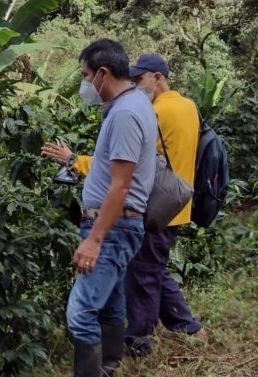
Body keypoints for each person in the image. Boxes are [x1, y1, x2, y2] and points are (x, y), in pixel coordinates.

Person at [42, 54, 202, 357]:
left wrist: (74, 160)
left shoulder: (154, 112)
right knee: (154, 269)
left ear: (157, 77)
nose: (137, 84)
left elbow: (125, 167)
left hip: (153, 207)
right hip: (177, 202)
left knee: (142, 276)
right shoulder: (188, 107)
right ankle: (184, 324)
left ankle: (138, 340)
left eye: (141, 79)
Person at [48, 39, 156, 377]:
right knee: (110, 304)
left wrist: (94, 238)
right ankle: (107, 376)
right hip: (117, 224)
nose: (84, 83)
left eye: (85, 75)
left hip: (112, 227)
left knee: (81, 311)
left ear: (103, 73)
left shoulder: (126, 114)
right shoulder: (131, 104)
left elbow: (120, 185)